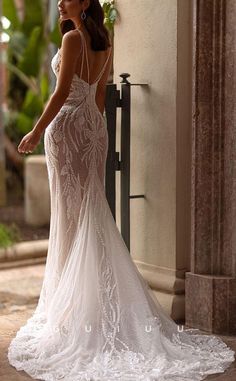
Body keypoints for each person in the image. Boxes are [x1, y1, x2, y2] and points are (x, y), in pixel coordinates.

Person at [8, 0, 235, 380]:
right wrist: (97, 133)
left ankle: (72, 310)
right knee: (90, 214)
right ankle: (83, 303)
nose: (60, 2)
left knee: (71, 218)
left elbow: (62, 93)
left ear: (83, 3)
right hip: (93, 130)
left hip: (67, 131)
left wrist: (35, 130)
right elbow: (98, 98)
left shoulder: (73, 40)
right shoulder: (105, 40)